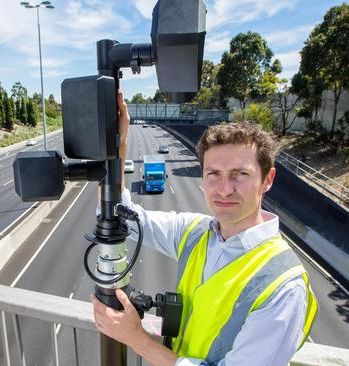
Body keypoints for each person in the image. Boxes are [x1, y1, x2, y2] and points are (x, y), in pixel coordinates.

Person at [91, 93, 317, 366]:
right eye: (214, 174)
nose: (224, 189)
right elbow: (121, 216)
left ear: (267, 180)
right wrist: (120, 143)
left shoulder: (283, 286)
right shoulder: (196, 232)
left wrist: (137, 339)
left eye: (240, 174)